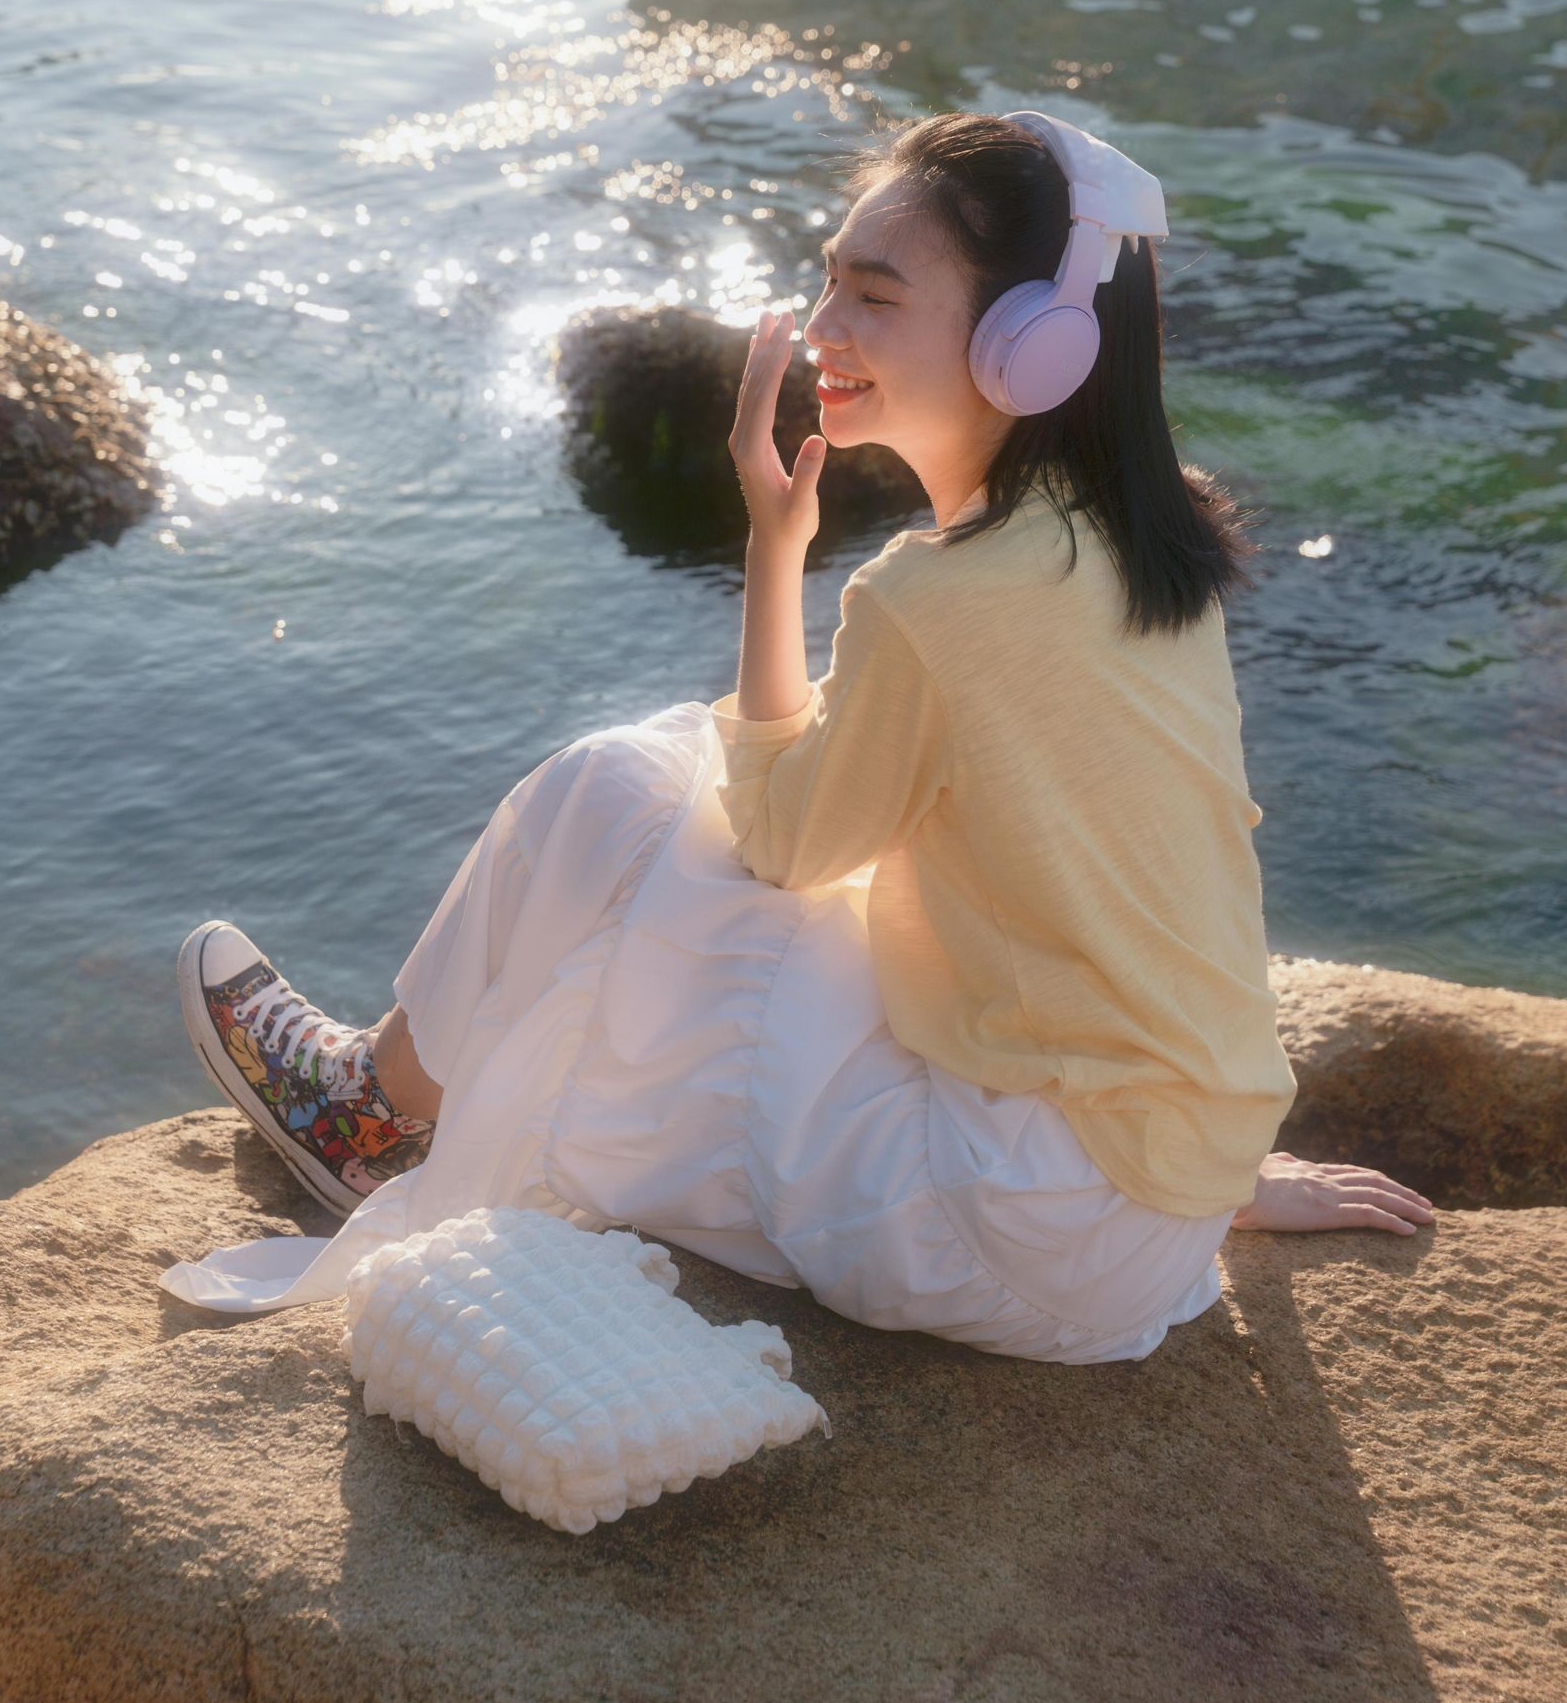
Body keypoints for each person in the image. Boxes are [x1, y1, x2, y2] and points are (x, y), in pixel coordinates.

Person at [159, 110, 1433, 1360]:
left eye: (873, 295)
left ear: (1029, 344)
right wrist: (1210, 1166)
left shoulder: (937, 599)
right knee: (685, 770)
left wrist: (775, 554)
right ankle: (397, 1095)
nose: (823, 326)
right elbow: (1166, 896)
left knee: (617, 789)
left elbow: (786, 845)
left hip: (1011, 1233)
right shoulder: (1157, 546)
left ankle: (368, 1111)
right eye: (829, 279)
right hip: (1146, 1218)